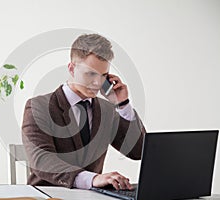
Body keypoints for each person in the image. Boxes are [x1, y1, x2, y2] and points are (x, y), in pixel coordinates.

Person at [22, 33, 146, 190]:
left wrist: (123, 105)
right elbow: (41, 159)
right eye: (91, 74)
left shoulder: (107, 110)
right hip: (49, 194)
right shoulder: (38, 106)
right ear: (72, 69)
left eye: (104, 76)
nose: (97, 82)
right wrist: (92, 179)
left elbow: (138, 151)